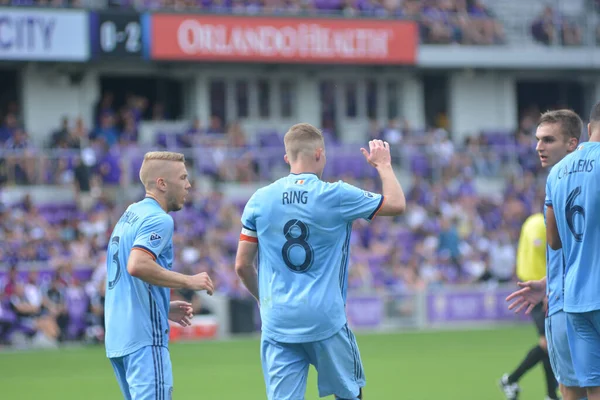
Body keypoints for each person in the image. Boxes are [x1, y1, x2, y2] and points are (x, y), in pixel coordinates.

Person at [235, 123, 406, 400]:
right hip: (324, 319)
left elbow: (242, 265)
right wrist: (384, 164)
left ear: (287, 158)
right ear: (319, 154)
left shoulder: (259, 200)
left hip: (278, 320)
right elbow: (396, 204)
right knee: (349, 394)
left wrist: (262, 297)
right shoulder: (335, 195)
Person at [104, 151, 215, 400]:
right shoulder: (159, 219)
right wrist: (189, 280)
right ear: (162, 184)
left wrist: (162, 306)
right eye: (183, 177)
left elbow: (124, 278)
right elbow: (137, 265)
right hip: (144, 339)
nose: (188, 184)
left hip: (119, 338)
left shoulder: (129, 215)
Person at [506, 109, 586, 400]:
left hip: (575, 302)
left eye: (548, 140)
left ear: (572, 143)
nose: (539, 146)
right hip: (562, 295)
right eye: (538, 139)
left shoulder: (562, 183)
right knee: (571, 388)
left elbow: (556, 242)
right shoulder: (558, 180)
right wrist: (547, 281)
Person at [545, 103, 600, 400]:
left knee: (592, 389)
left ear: (590, 129)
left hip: (575, 300)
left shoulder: (557, 173)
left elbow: (553, 240)